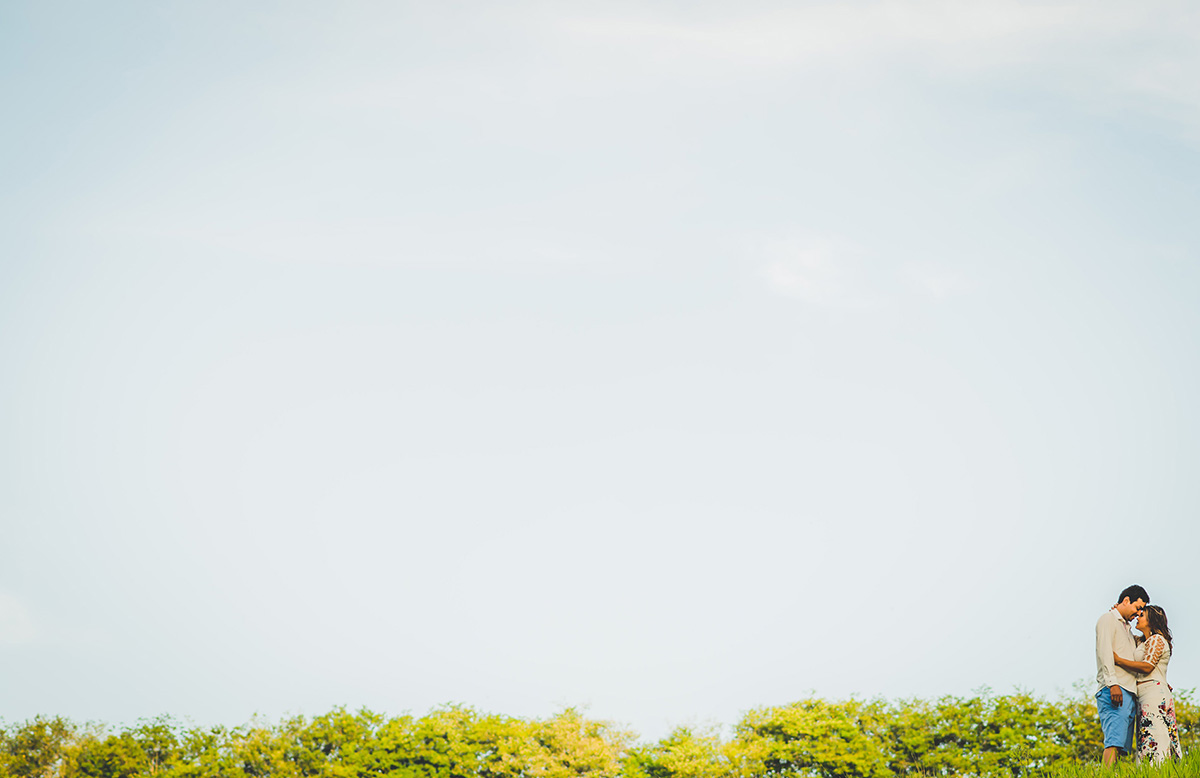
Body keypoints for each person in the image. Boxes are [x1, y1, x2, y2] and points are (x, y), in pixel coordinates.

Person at [1114, 605, 1182, 764]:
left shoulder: (1157, 639)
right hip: (1144, 694)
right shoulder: (1142, 642)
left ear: (1151, 620)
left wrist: (1119, 661)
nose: (1138, 617)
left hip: (1153, 694)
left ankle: (1159, 769)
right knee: (1147, 735)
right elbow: (1125, 633)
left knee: (1156, 734)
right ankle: (1149, 770)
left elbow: (1147, 666)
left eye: (1142, 615)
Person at [1095, 584, 1148, 766]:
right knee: (1113, 742)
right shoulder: (1107, 619)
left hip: (1128, 691)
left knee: (1121, 747)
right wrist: (1113, 684)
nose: (1138, 613)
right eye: (1137, 607)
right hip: (1115, 689)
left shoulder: (1127, 629)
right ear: (1126, 600)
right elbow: (1105, 652)